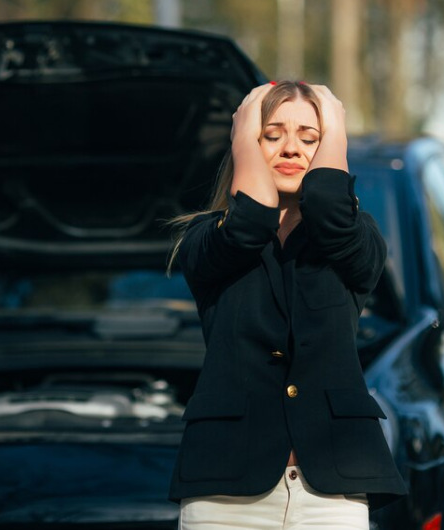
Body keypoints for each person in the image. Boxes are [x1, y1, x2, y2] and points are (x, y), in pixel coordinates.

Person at [164, 81, 408, 529]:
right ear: (245, 147)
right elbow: (250, 221)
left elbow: (330, 208)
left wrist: (334, 122)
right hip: (225, 492)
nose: (291, 148)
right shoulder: (205, 237)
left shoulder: (357, 237)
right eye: (271, 135)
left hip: (331, 489)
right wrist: (242, 130)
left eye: (310, 137)